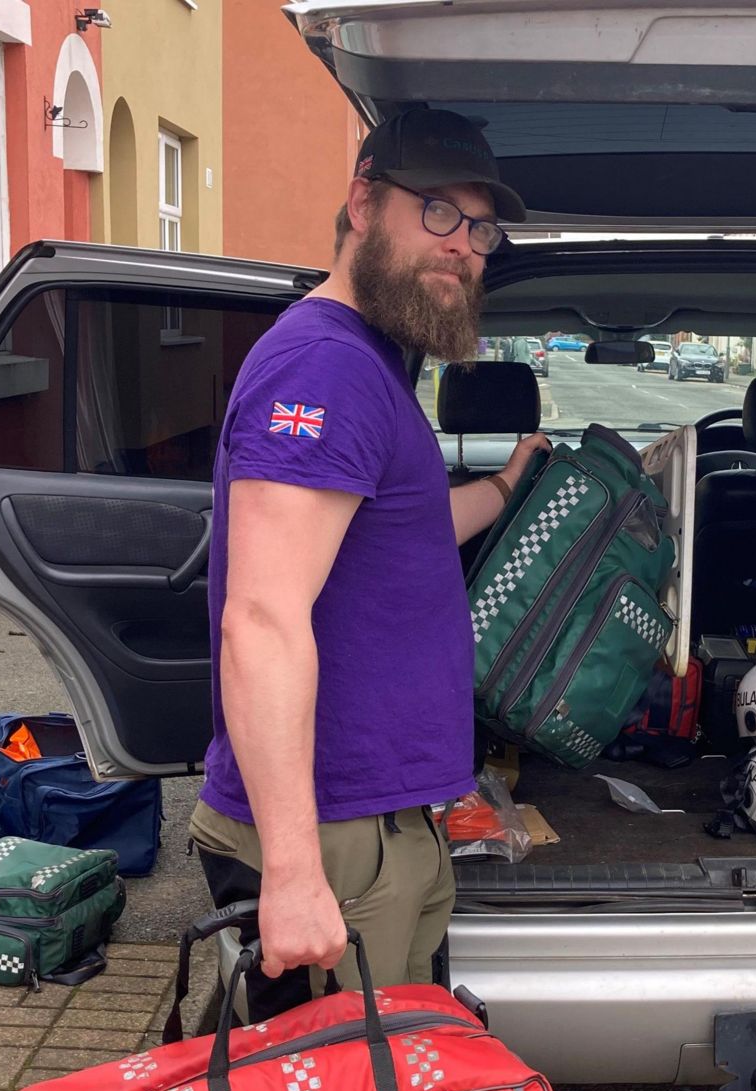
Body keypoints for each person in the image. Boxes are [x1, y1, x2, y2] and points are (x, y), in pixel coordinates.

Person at [194, 108, 548, 1024]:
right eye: (437, 212)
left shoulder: (371, 364)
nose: (462, 247)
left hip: (388, 821)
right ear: (361, 201)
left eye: (480, 229)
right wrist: (295, 871)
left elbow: (409, 525)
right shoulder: (324, 369)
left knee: (386, 1084)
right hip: (336, 835)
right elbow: (260, 619)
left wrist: (513, 484)